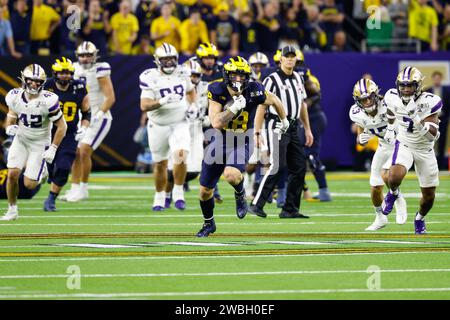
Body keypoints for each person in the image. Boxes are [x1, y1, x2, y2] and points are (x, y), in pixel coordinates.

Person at [196, 56, 290, 237]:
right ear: (226, 75)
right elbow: (216, 122)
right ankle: (209, 224)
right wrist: (232, 109)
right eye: (234, 75)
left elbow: (275, 100)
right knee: (205, 191)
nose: (238, 80)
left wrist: (284, 120)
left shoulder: (255, 90)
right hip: (221, 138)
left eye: (241, 76)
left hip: (242, 138)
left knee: (231, 175)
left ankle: (240, 194)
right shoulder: (216, 89)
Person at [249, 45, 314, 219]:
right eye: (288, 56)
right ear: (281, 59)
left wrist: (307, 129)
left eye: (293, 56)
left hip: (293, 127)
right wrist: (257, 132)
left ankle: (290, 208)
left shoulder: (298, 79)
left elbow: (302, 105)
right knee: (277, 165)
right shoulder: (272, 79)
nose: (291, 59)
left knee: (299, 167)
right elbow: (262, 107)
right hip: (276, 125)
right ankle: (256, 204)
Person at [1, 64, 67, 221]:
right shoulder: (14, 96)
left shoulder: (49, 100)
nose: (34, 84)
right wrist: (9, 127)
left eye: (38, 81)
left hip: (40, 142)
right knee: (12, 174)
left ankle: (43, 172)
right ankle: (12, 209)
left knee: (29, 184)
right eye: (31, 80)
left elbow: (62, 126)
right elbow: (11, 115)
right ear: (24, 80)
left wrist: (53, 148)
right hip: (21, 139)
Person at [382, 66, 442, 234]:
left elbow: (432, 136)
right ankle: (393, 193)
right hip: (405, 143)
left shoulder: (430, 101)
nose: (406, 89)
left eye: (410, 85)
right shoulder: (391, 96)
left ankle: (419, 218)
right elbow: (390, 110)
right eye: (402, 85)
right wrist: (390, 127)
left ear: (419, 86)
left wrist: (416, 118)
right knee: (393, 176)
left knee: (429, 197)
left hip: (425, 149)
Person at [139, 42, 196, 211]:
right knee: (160, 164)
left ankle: (178, 192)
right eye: (165, 59)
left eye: (172, 59)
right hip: (158, 125)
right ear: (157, 61)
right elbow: (144, 105)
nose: (169, 62)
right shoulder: (150, 76)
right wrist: (161, 101)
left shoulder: (183, 72)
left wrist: (193, 106)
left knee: (181, 155)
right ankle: (159, 196)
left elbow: (190, 90)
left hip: (179, 122)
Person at [349, 78, 407, 231]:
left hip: (400, 144)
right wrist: (360, 139)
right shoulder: (356, 113)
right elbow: (361, 132)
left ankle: (397, 196)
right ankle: (380, 218)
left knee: (386, 174)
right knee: (375, 186)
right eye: (363, 99)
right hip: (383, 146)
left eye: (369, 97)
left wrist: (392, 128)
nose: (367, 102)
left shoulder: (388, 103)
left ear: (376, 95)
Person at [61, 41, 115, 202]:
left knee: (84, 151)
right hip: (83, 117)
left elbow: (110, 97)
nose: (85, 59)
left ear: (95, 55)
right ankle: (75, 188)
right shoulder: (74, 69)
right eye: (82, 55)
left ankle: (83, 188)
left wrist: (98, 114)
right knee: (76, 153)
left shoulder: (100, 69)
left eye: (88, 55)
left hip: (100, 117)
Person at [43, 57, 90, 211]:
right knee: (46, 170)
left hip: (69, 133)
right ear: (55, 73)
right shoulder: (46, 85)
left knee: (63, 167)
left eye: (68, 72)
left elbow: (86, 112)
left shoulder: (80, 87)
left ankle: (51, 198)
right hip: (47, 132)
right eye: (62, 72)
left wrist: (83, 127)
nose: (65, 75)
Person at [165, 59, 209, 208]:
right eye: (191, 76)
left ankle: (178, 188)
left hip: (197, 131)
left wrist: (207, 120)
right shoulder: (177, 88)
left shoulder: (206, 89)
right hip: (178, 128)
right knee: (173, 166)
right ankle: (167, 196)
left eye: (196, 76)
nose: (193, 79)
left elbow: (214, 110)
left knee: (194, 171)